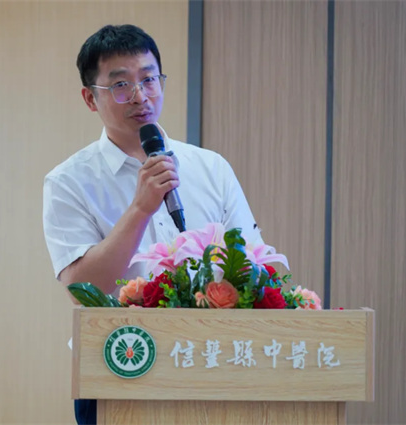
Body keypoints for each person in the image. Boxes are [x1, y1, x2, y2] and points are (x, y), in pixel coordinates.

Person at [42, 24, 263, 425]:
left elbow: (252, 265)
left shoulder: (211, 168)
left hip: (211, 364)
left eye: (149, 79)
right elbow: (83, 289)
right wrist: (140, 208)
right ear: (90, 98)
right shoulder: (68, 182)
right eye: (121, 85)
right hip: (120, 365)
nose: (140, 96)